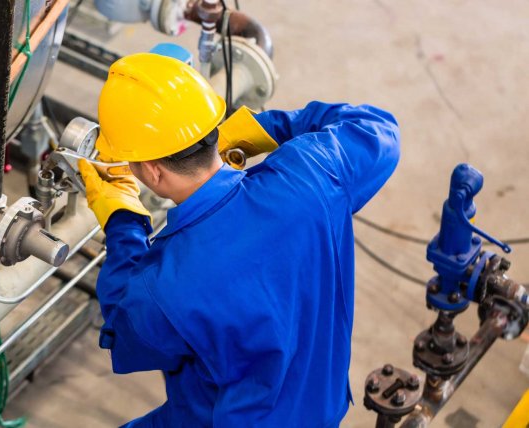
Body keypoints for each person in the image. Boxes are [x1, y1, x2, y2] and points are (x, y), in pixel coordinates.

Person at [78, 52, 400, 427]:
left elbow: (124, 326)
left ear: (150, 170)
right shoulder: (313, 174)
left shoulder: (166, 286)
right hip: (319, 407)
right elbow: (376, 126)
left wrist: (123, 219)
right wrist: (264, 129)